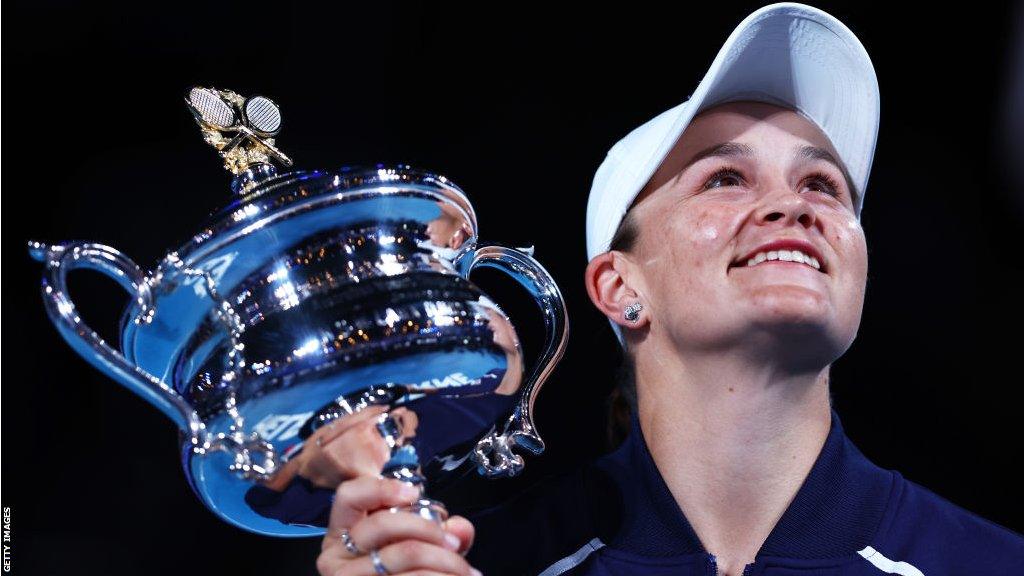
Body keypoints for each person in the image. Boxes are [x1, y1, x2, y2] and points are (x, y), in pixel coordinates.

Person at [312, 3, 1024, 575]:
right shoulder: (479, 562)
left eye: (822, 185)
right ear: (620, 286)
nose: (794, 206)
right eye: (724, 178)